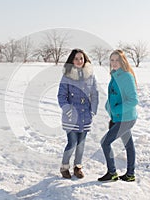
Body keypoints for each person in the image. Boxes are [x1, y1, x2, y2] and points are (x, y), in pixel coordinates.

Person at [98, 49, 138, 182]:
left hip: (125, 118)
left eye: (117, 60)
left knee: (105, 142)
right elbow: (115, 96)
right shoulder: (115, 75)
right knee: (129, 145)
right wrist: (109, 109)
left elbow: (133, 100)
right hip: (119, 117)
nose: (114, 63)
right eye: (112, 60)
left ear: (123, 61)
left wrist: (117, 110)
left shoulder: (126, 76)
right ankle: (130, 174)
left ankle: (112, 172)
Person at [57, 49, 99, 179]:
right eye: (76, 58)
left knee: (81, 143)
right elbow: (61, 96)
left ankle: (78, 167)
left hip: (85, 115)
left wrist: (92, 110)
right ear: (72, 61)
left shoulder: (90, 76)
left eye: (81, 58)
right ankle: (64, 166)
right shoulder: (67, 76)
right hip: (71, 116)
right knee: (72, 142)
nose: (79, 61)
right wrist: (68, 109)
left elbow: (95, 94)